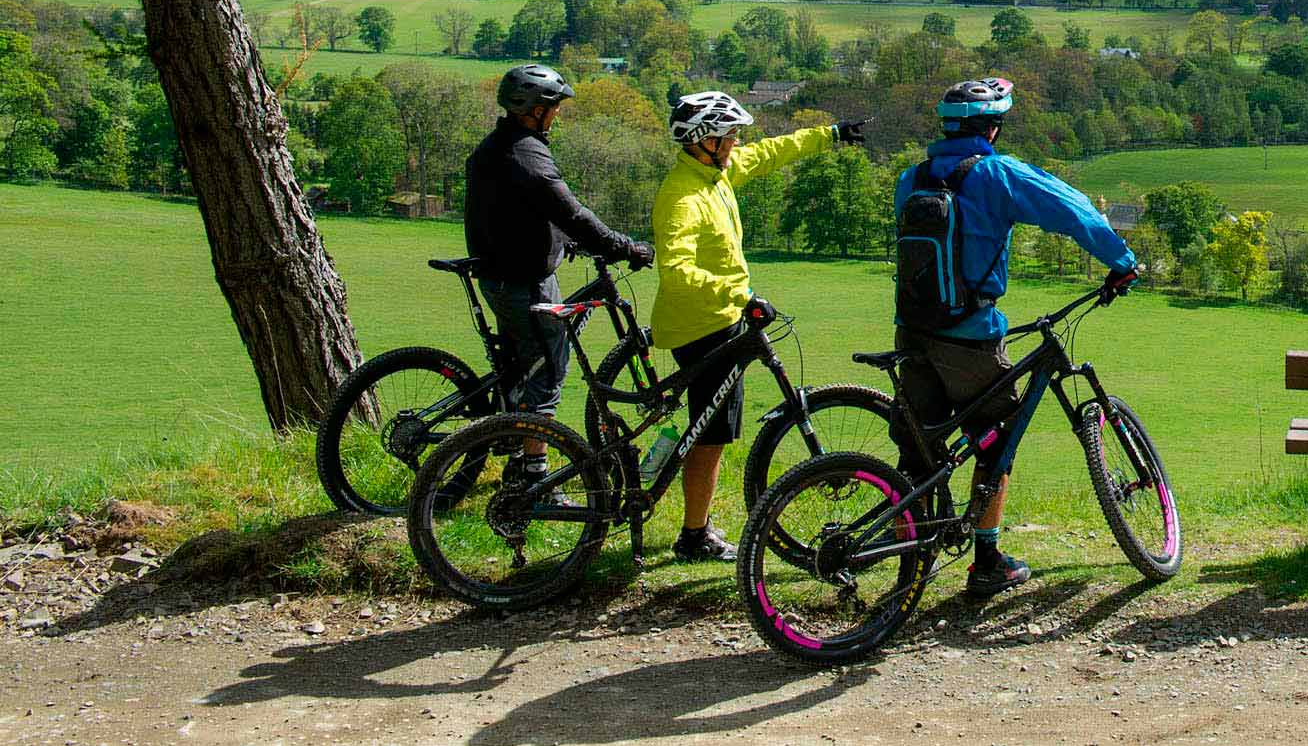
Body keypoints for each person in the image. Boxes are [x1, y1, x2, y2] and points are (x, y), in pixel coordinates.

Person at [894, 77, 1138, 599]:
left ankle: (906, 569)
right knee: (995, 440)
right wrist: (1120, 261)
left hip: (911, 331)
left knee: (918, 448)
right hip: (970, 335)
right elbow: (1072, 209)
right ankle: (986, 562)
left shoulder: (909, 179)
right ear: (992, 128)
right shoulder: (996, 174)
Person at [650, 90, 864, 563]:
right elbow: (677, 270)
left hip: (720, 319)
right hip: (704, 325)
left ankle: (691, 524)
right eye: (729, 136)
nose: (736, 144)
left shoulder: (715, 174)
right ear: (704, 140)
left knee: (708, 429)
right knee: (710, 434)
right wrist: (741, 297)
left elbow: (770, 152)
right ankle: (694, 534)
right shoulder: (684, 197)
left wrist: (829, 135)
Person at [463, 64, 653, 483]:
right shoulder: (526, 154)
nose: (558, 115)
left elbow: (517, 213)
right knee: (548, 373)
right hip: (524, 283)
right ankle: (534, 477)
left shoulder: (498, 145)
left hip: (500, 275)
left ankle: (513, 447)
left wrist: (561, 240)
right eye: (553, 107)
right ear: (533, 111)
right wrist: (625, 247)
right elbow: (571, 211)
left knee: (522, 366)